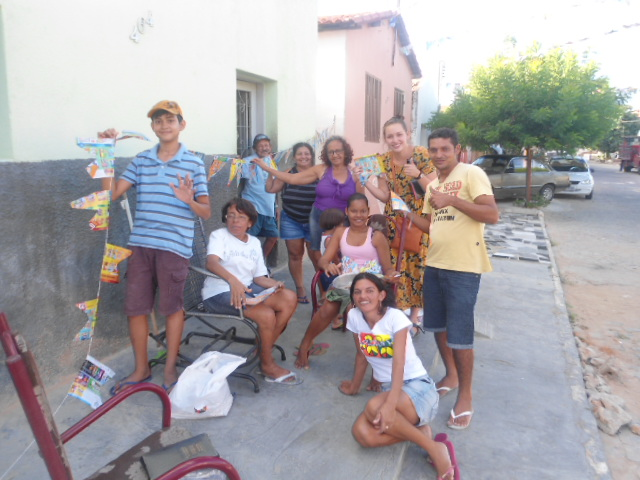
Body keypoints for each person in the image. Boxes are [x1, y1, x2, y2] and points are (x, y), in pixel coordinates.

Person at [99, 100, 211, 394]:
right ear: (152, 127)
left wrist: (189, 200)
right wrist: (106, 153)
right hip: (141, 246)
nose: (164, 125)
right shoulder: (141, 160)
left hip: (174, 248)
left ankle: (170, 367)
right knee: (136, 309)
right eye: (158, 120)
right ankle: (141, 368)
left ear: (182, 125)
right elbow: (111, 194)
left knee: (172, 309)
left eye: (170, 120)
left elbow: (206, 212)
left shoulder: (194, 163)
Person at [408, 127, 499, 430]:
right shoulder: (433, 185)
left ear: (457, 150)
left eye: (444, 149)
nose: (438, 155)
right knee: (438, 327)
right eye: (433, 150)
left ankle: (466, 396)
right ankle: (451, 375)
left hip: (463, 267)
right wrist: (407, 215)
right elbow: (432, 225)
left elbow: (492, 214)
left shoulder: (471, 173)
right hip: (435, 263)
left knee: (460, 334)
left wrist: (454, 200)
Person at [339, 272, 458, 480]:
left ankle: (437, 450)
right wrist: (353, 386)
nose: (363, 296)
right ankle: (422, 436)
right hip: (391, 389)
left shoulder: (395, 318)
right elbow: (361, 355)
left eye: (369, 291)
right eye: (357, 292)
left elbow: (398, 362)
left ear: (381, 295)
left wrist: (389, 404)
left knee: (374, 407)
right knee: (362, 434)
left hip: (418, 389)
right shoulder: (354, 316)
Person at [202, 198, 302, 385]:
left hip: (248, 288)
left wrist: (275, 284)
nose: (235, 221)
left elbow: (258, 278)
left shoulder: (254, 242)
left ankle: (262, 349)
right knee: (266, 315)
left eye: (241, 217)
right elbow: (211, 263)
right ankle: (267, 364)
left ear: (250, 222)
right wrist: (233, 281)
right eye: (231, 216)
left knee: (289, 298)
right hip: (219, 292)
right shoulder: (219, 236)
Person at [294, 193, 398, 369]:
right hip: (346, 284)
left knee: (354, 307)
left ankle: (368, 360)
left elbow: (388, 268)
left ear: (368, 212)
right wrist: (327, 265)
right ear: (347, 211)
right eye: (354, 211)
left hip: (371, 286)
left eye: (363, 211)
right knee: (327, 308)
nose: (359, 215)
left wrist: (392, 275)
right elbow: (323, 259)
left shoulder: (376, 236)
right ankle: (305, 344)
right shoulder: (341, 233)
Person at [363, 117, 436, 334]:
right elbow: (385, 196)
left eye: (399, 135)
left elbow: (435, 189)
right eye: (390, 136)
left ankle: (414, 316)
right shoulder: (384, 161)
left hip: (419, 220)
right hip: (395, 220)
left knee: (418, 266)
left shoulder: (421, 154)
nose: (395, 140)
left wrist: (419, 175)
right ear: (385, 139)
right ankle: (396, 313)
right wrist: (366, 182)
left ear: (407, 134)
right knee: (396, 266)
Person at [251, 135, 363, 255]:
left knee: (343, 255)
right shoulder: (320, 169)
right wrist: (267, 169)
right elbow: (293, 179)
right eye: (331, 152)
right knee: (320, 256)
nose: (335, 155)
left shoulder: (355, 173)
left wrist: (359, 223)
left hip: (343, 220)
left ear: (345, 151)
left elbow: (361, 202)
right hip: (319, 220)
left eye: (338, 151)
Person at [265, 142, 319, 303]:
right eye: (300, 154)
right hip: (291, 220)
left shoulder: (318, 174)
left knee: (316, 256)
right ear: (294, 157)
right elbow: (271, 189)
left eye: (307, 153)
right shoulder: (287, 173)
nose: (303, 157)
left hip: (314, 221)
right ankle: (300, 288)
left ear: (311, 156)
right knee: (295, 255)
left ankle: (322, 289)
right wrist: (270, 172)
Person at [240, 134, 279, 260]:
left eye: (266, 145)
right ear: (255, 148)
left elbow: (275, 184)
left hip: (269, 207)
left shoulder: (271, 161)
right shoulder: (248, 161)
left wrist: (276, 206)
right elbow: (240, 177)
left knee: (273, 236)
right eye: (260, 146)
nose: (264, 148)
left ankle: (260, 261)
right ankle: (246, 264)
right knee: (249, 237)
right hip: (254, 206)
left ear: (270, 147)